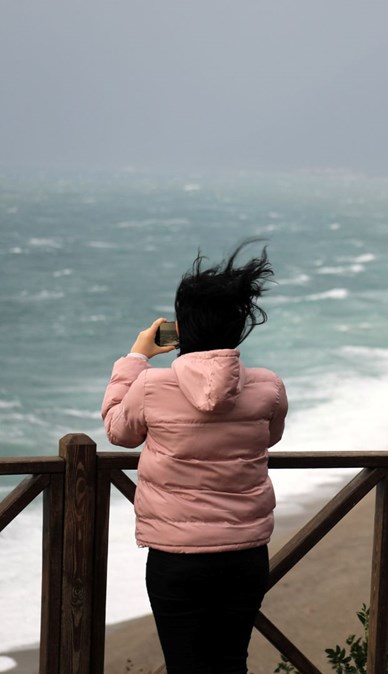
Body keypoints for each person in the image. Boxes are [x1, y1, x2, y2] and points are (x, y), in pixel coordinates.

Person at [101, 242, 287, 673]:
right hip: (246, 554)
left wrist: (135, 358)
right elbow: (268, 438)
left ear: (182, 327)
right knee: (230, 662)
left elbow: (118, 431)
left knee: (185, 665)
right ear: (239, 325)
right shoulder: (268, 386)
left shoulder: (150, 387)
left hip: (177, 558)